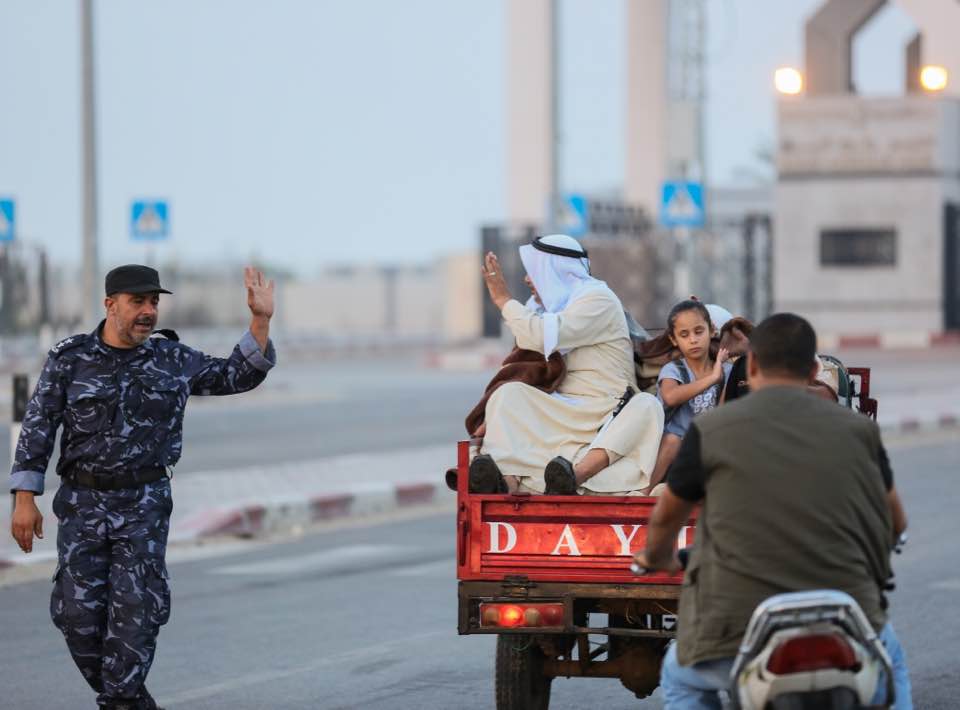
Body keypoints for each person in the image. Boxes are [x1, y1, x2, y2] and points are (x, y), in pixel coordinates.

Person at [9, 265, 277, 710]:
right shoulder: (70, 358)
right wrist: (24, 499)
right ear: (110, 304)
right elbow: (38, 427)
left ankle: (121, 701)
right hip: (82, 506)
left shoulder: (172, 359)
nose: (148, 311)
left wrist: (260, 321)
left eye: (154, 302)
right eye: (138, 302)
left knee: (134, 621)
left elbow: (236, 375)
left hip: (143, 508)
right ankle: (129, 700)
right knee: (77, 619)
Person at [633, 313, 912, 709]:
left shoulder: (711, 431)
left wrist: (656, 557)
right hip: (847, 619)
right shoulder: (858, 430)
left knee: (681, 682)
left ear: (753, 366)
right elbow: (896, 520)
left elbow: (665, 515)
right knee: (893, 665)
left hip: (732, 630)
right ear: (814, 370)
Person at [471, 234, 663, 496]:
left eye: (535, 271)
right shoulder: (547, 309)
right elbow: (527, 355)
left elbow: (540, 334)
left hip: (603, 410)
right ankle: (507, 483)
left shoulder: (598, 300)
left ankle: (573, 477)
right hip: (562, 407)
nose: (528, 279)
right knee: (508, 394)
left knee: (647, 406)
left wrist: (504, 300)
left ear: (557, 271)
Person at [641, 300, 731, 496]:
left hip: (706, 450)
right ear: (674, 340)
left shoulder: (727, 370)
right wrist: (712, 378)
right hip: (673, 454)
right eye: (684, 335)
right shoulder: (674, 369)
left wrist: (721, 374)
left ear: (712, 330)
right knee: (673, 440)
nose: (693, 340)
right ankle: (643, 492)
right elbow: (671, 397)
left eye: (699, 331)